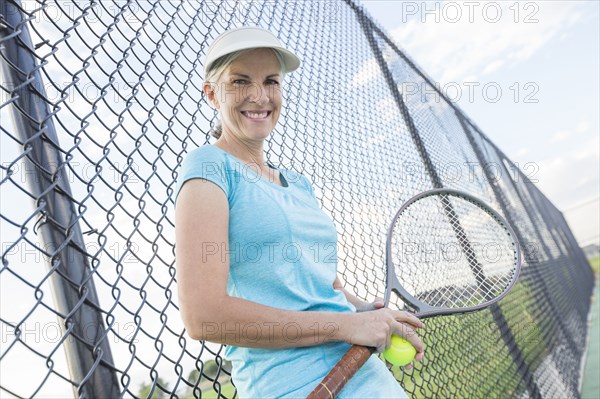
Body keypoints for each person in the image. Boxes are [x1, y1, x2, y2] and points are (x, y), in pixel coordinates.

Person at [174, 26, 424, 398]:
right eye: (240, 81)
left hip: (362, 371)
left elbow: (323, 284)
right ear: (211, 94)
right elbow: (204, 316)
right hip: (294, 384)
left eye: (271, 81)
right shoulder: (209, 167)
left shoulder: (297, 184)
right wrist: (343, 327)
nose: (259, 96)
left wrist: (366, 313)